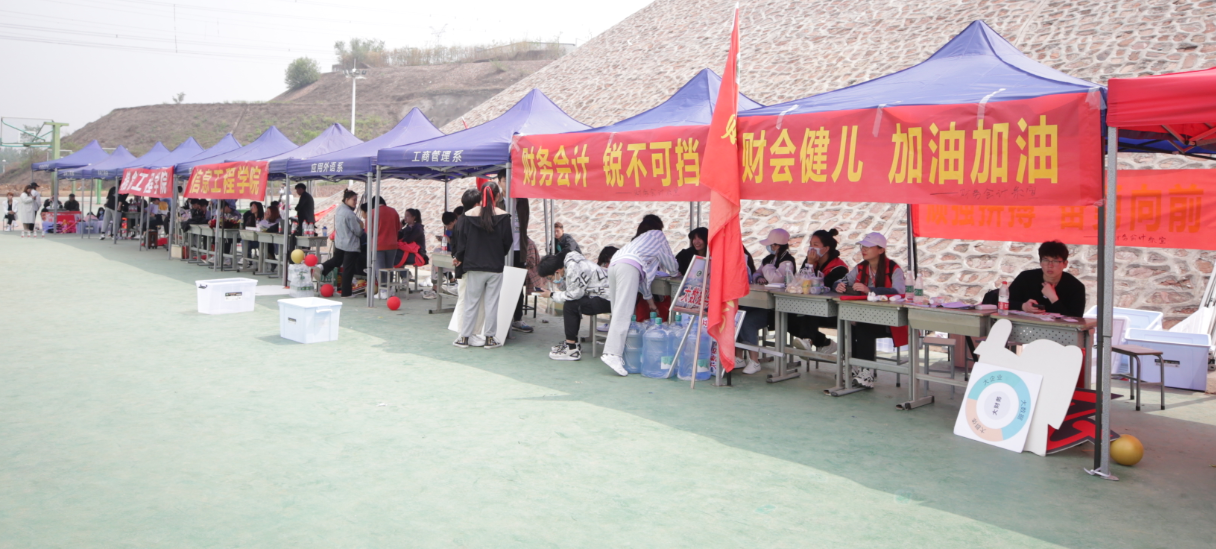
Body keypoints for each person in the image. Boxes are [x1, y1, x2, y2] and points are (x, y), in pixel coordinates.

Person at [601, 214, 679, 376]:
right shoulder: (658, 236)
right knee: (624, 312)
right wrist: (676, 273)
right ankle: (612, 354)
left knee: (617, 310)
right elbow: (670, 262)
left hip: (615, 263)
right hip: (627, 267)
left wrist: (650, 301)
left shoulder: (638, 242)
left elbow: (642, 279)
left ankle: (616, 352)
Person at [834, 232, 906, 388]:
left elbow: (900, 291)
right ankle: (852, 367)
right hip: (865, 316)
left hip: (890, 321)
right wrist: (838, 285)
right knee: (848, 326)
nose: (863, 250)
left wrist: (870, 290)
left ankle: (867, 372)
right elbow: (842, 280)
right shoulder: (861, 267)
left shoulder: (894, 268)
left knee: (863, 327)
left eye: (868, 247)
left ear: (881, 250)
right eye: (862, 246)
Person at [453, 183, 513, 349]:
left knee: (471, 303)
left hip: (473, 265)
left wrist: (459, 257)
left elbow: (462, 242)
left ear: (482, 195)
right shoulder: (504, 216)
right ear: (497, 196)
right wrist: (498, 254)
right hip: (495, 266)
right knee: (492, 303)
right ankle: (490, 339)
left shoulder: (468, 215)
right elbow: (507, 242)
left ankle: (464, 338)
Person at [537, 249, 612, 361]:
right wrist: (559, 283)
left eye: (549, 278)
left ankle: (571, 348)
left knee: (571, 305)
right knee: (572, 303)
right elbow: (570, 289)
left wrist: (551, 295)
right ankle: (573, 343)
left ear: (557, 271)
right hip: (600, 296)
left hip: (607, 299)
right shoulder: (569, 264)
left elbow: (573, 295)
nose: (550, 280)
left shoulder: (573, 267)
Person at [789, 228, 848, 354]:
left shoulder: (839, 268)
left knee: (810, 310)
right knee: (788, 319)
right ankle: (824, 342)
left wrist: (810, 265)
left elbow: (821, 288)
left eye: (815, 245)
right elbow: (800, 282)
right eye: (810, 244)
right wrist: (810, 264)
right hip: (810, 308)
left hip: (832, 310)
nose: (811, 248)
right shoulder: (810, 261)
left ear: (826, 249)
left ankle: (808, 340)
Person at [1009, 241, 1086, 317]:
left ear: (1065, 264)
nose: (1050, 265)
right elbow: (1004, 302)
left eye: (1055, 261)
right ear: (1040, 262)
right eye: (1046, 260)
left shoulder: (1076, 287)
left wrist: (1053, 298)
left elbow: (1076, 319)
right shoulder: (1025, 278)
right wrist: (1023, 306)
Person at [331, 190, 364, 297]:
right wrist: (361, 226)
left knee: (337, 262)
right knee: (348, 270)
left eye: (356, 200)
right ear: (347, 200)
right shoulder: (349, 214)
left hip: (340, 242)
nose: (355, 202)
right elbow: (358, 231)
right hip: (350, 245)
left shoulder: (339, 209)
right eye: (354, 200)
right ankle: (346, 293)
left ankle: (322, 267)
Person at [367, 198, 400, 297]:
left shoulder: (372, 213)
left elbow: (368, 231)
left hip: (378, 245)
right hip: (392, 244)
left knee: (379, 269)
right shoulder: (393, 211)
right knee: (389, 268)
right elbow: (398, 228)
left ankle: (383, 291)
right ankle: (390, 289)